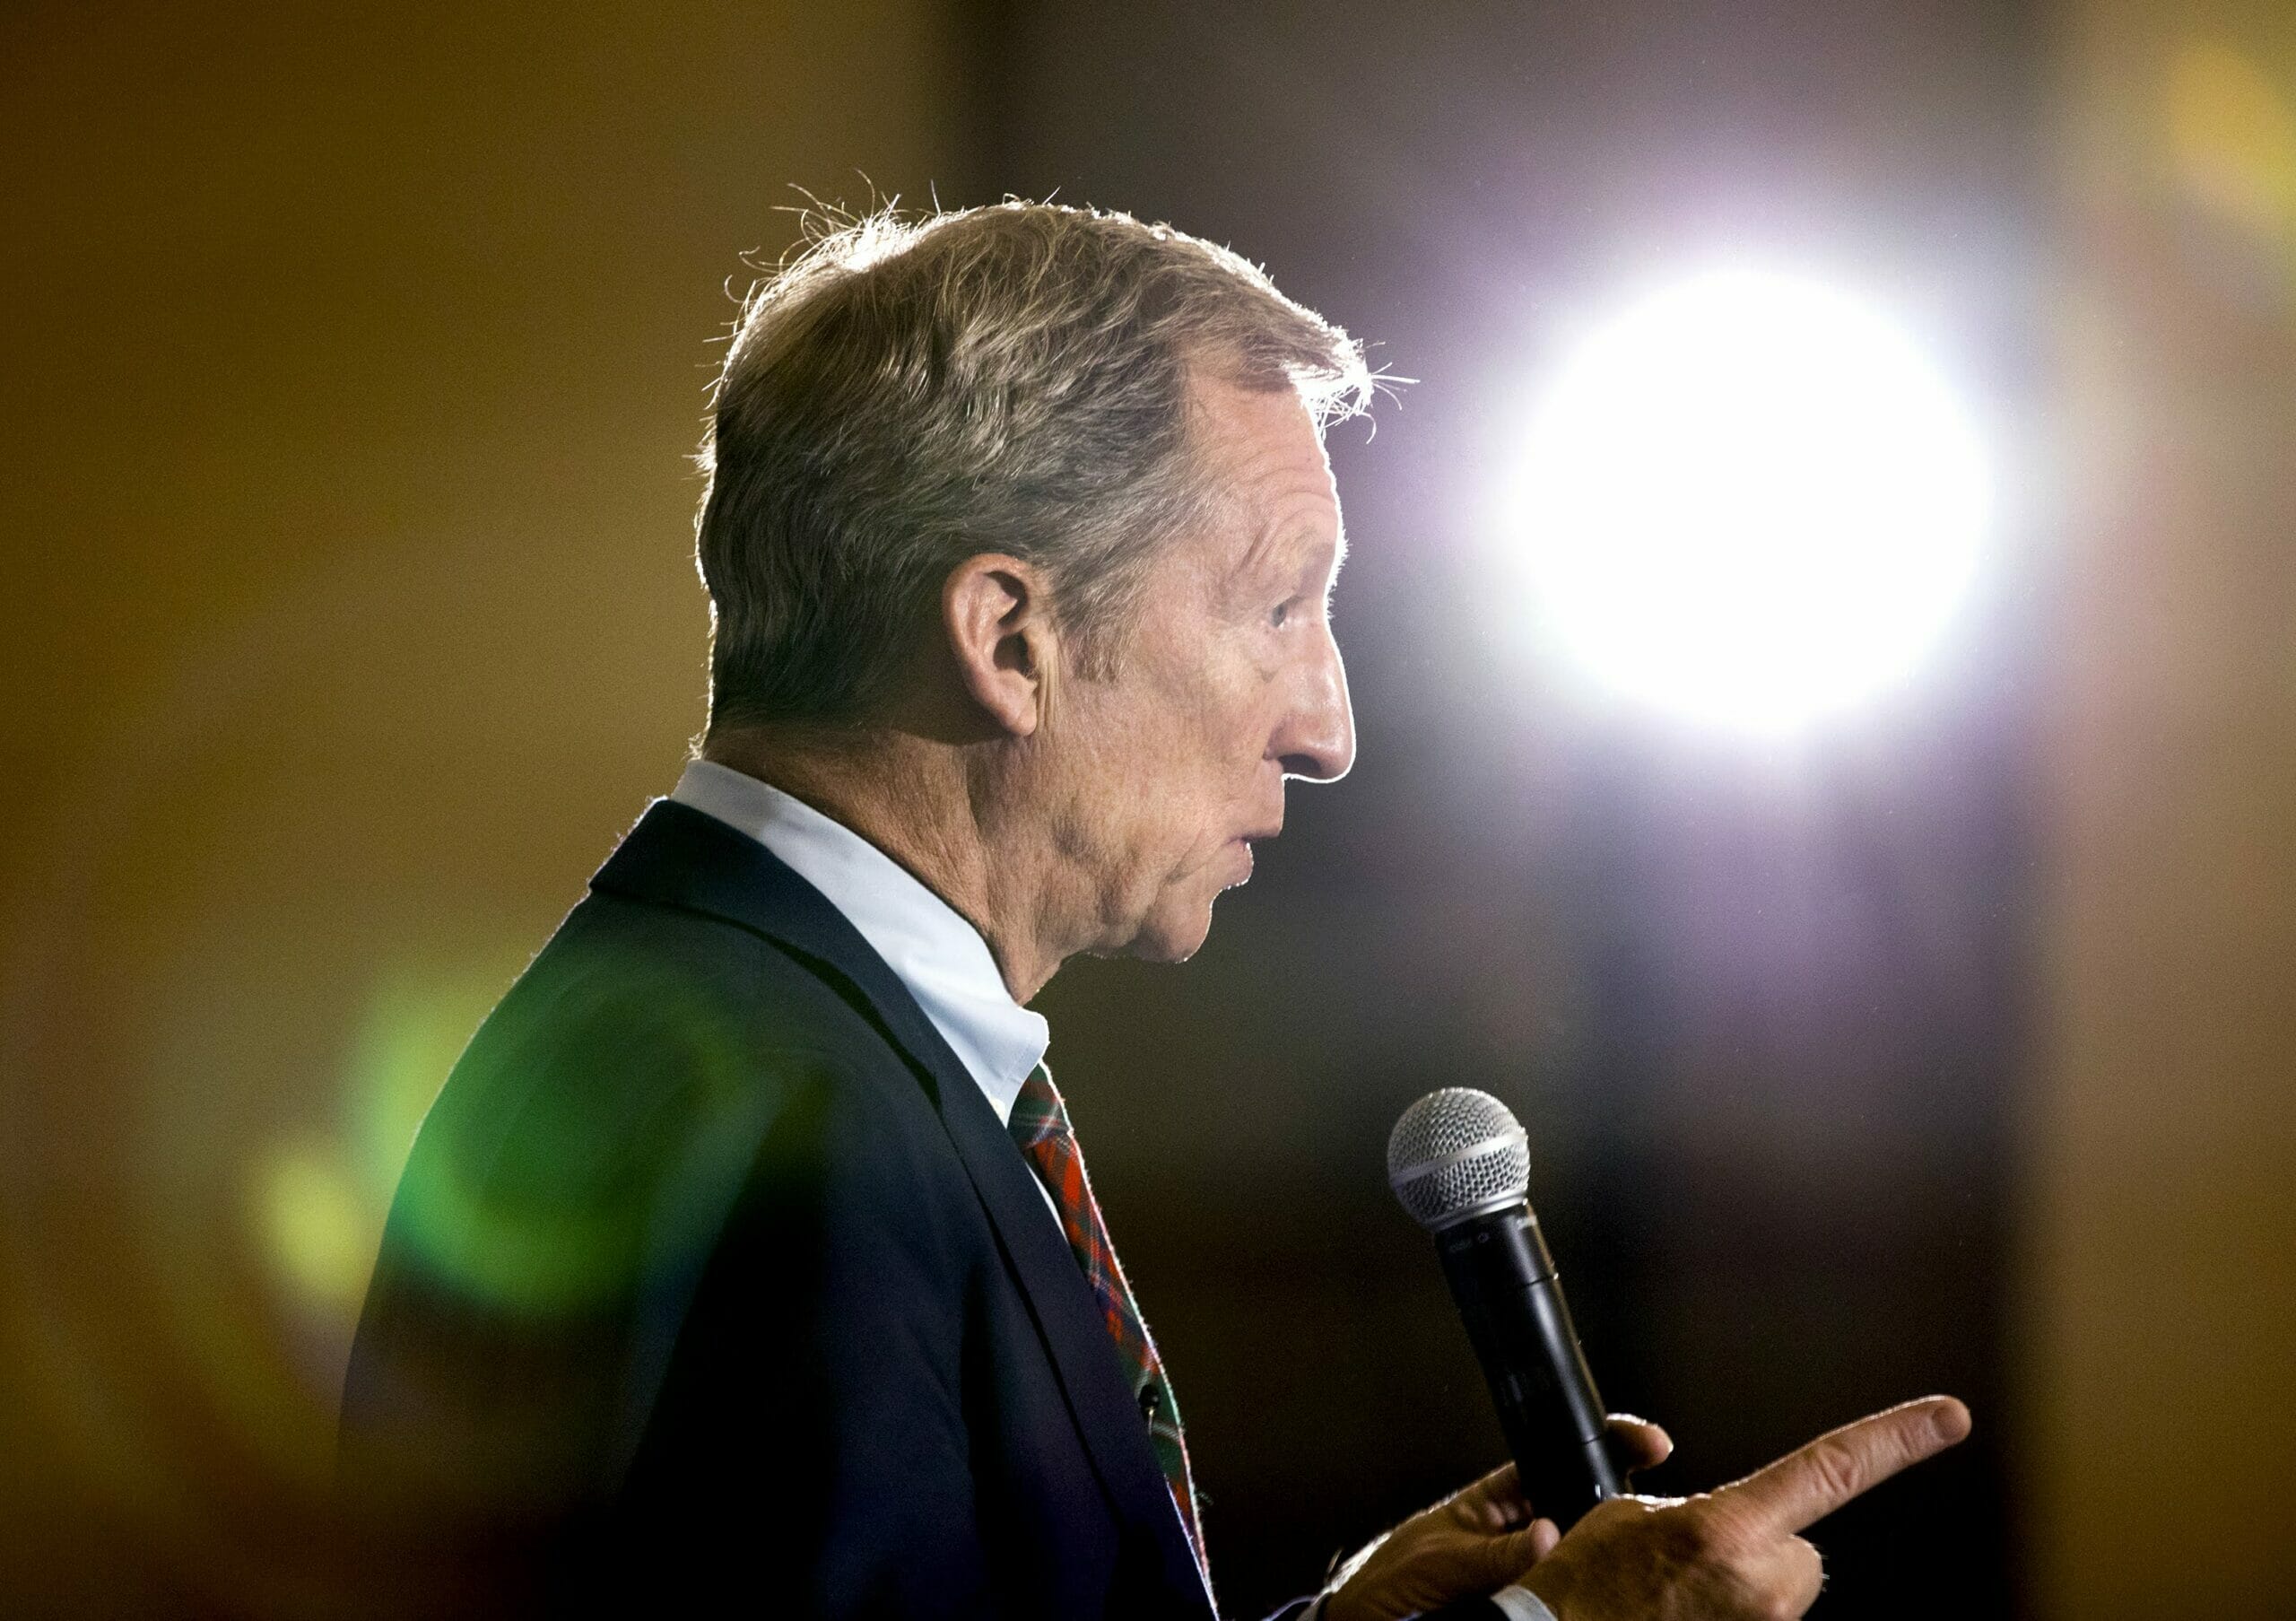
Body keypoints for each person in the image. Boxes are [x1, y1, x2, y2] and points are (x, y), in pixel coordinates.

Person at [338, 201, 1970, 1620]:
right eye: (1277, 607)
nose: (1328, 729)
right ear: (1011, 639)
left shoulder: (764, 1034)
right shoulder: (788, 1135)